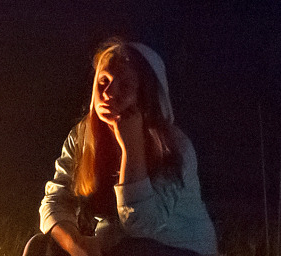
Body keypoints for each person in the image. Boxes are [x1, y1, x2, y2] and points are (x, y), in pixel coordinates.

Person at [25, 39, 218, 256]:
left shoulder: (172, 145)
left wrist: (132, 146)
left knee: (131, 249)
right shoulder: (82, 137)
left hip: (176, 246)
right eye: (103, 82)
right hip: (116, 245)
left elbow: (142, 225)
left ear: (146, 94)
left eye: (124, 85)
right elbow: (56, 198)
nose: (108, 93)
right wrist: (75, 244)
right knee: (40, 247)